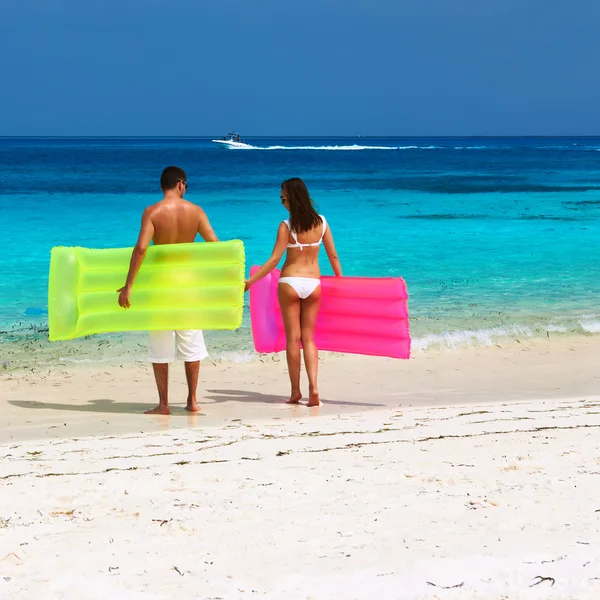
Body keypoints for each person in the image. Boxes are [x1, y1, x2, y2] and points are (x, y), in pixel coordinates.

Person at [117, 166, 219, 415]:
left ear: (163, 185)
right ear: (181, 184)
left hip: (161, 287)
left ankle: (163, 405)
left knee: (160, 345)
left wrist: (129, 286)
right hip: (188, 286)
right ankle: (192, 401)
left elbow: (141, 249)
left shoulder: (152, 212)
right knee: (191, 343)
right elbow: (215, 247)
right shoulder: (196, 211)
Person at [244, 178, 342, 406]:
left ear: (292, 198)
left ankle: (296, 392)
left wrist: (251, 282)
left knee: (292, 340)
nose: (281, 202)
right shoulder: (322, 223)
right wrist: (341, 282)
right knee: (309, 338)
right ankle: (314, 389)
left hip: (289, 282)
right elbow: (333, 256)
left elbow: (274, 260)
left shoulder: (285, 226)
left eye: (283, 198)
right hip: (313, 283)